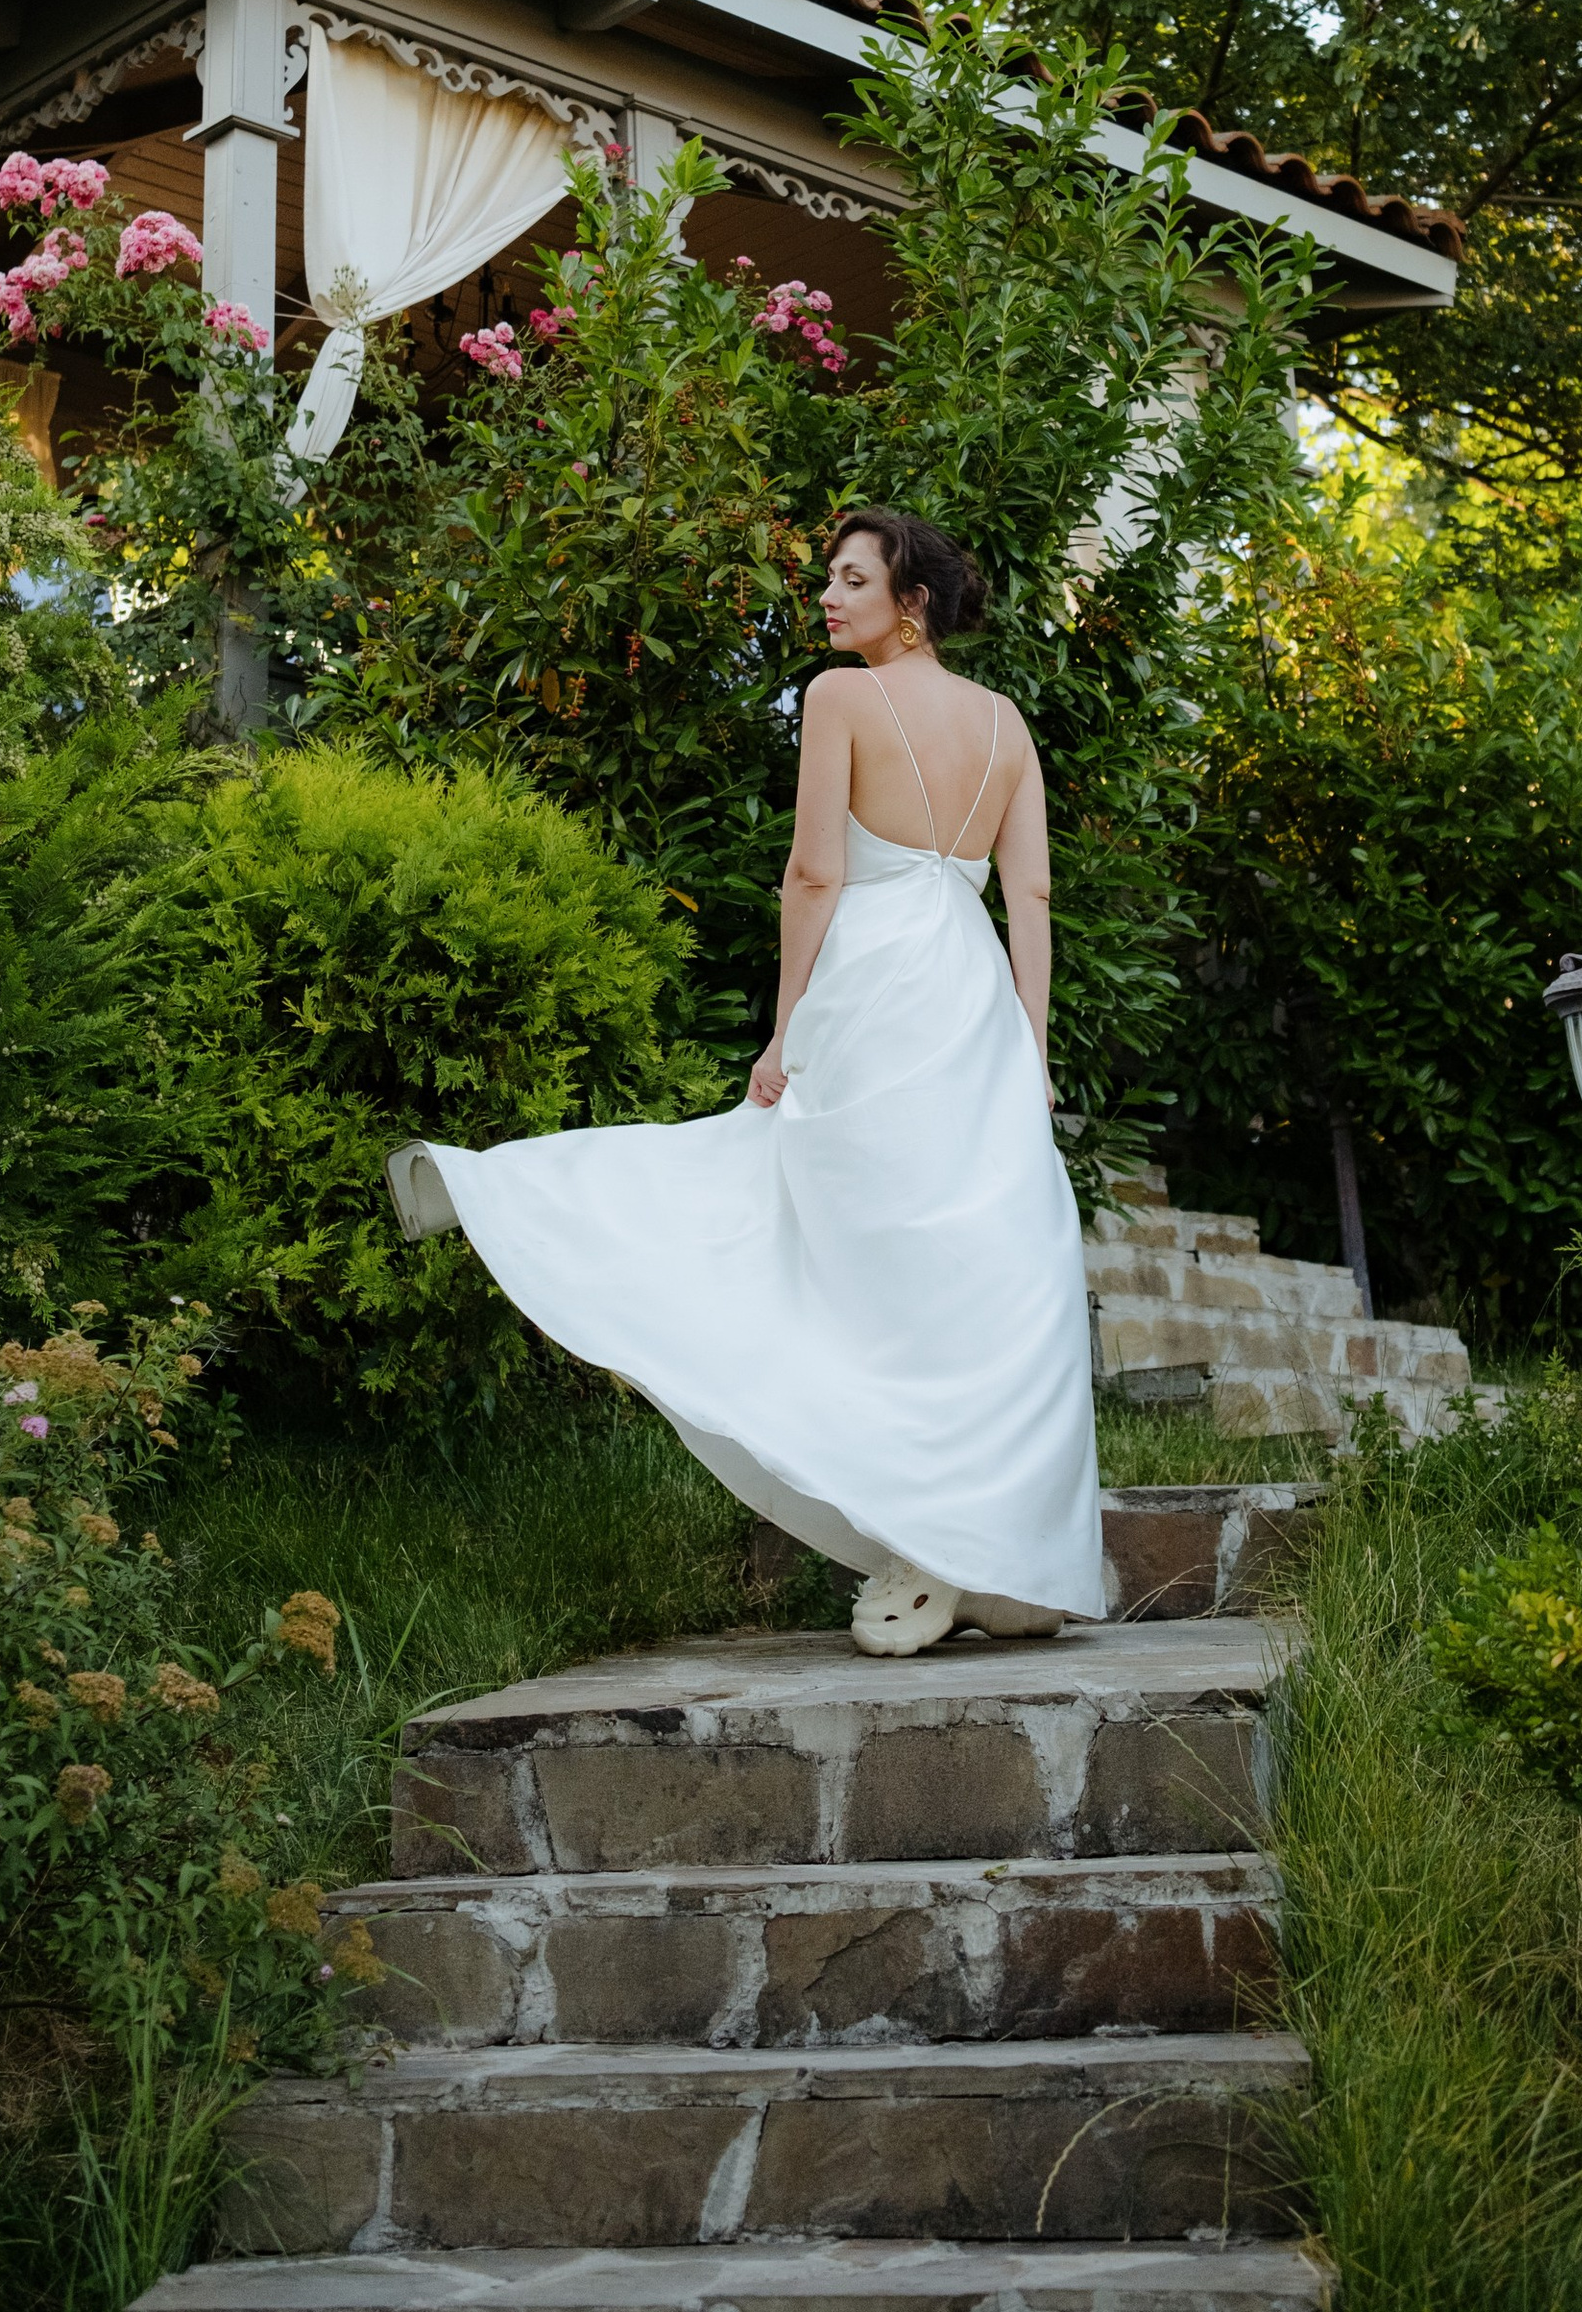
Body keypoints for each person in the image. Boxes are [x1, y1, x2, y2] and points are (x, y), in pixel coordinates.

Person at [387, 510, 1106, 1655]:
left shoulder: (842, 699)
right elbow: (1031, 898)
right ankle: (979, 1540)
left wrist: (781, 1033)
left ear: (911, 602)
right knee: (975, 1258)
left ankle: (949, 1543)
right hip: (971, 1000)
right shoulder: (1004, 723)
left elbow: (814, 873)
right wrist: (1031, 1044)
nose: (828, 594)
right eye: (830, 576)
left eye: (852, 578)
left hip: (875, 988)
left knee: (832, 1243)